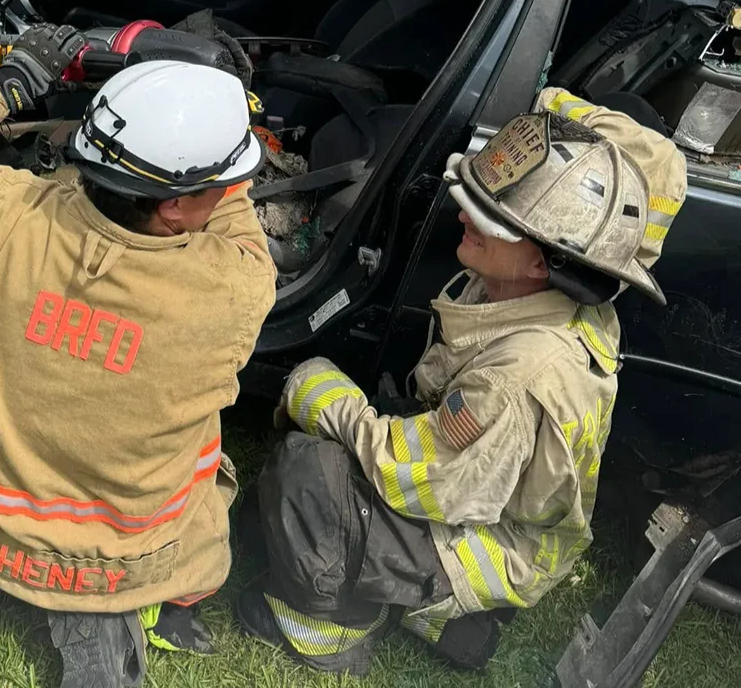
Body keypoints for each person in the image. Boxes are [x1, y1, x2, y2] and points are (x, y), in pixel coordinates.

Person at [0, 23, 277, 688]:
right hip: (120, 560)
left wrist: (6, 85)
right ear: (177, 207)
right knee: (209, 470)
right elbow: (230, 217)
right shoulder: (234, 288)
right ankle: (105, 611)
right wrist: (217, 108)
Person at [234, 87, 688, 674]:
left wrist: (318, 394)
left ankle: (330, 630)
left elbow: (418, 478)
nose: (467, 216)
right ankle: (439, 616)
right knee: (280, 503)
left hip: (495, 539)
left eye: (493, 219)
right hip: (485, 489)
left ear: (545, 260)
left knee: (307, 475)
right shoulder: (530, 287)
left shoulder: (520, 375)